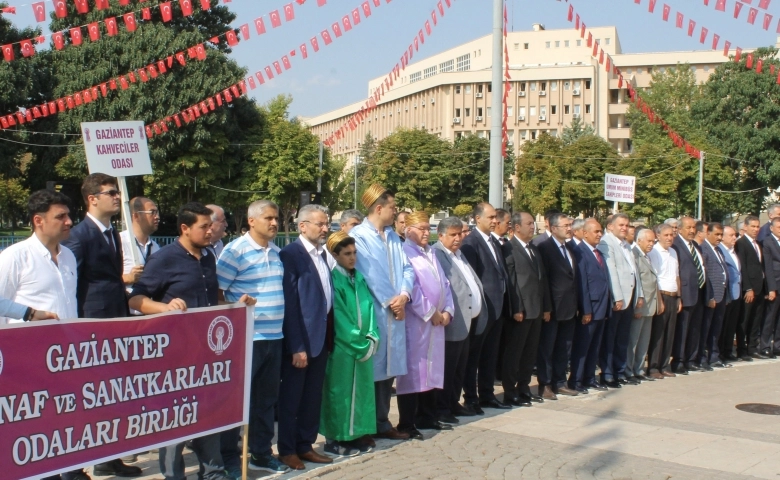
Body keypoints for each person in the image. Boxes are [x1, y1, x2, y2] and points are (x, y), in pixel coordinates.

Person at [129, 202, 251, 480]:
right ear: (184, 228)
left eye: (211, 226)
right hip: (173, 356)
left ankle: (213, 472)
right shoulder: (164, 259)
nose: (211, 232)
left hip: (206, 354)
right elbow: (136, 299)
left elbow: (213, 301)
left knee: (208, 413)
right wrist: (165, 307)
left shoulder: (208, 257)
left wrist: (237, 306)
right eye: (204, 227)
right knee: (176, 419)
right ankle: (174, 475)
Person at [62, 173, 141, 479]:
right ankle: (75, 467)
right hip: (92, 325)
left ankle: (108, 456)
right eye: (111, 192)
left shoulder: (111, 233)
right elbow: (74, 283)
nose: (117, 197)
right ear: (92, 198)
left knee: (111, 396)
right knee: (90, 397)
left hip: (115, 321)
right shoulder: (80, 235)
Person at [216, 200, 289, 475]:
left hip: (274, 336)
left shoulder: (277, 252)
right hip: (247, 337)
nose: (274, 223)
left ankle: (261, 452)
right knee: (236, 401)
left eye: (276, 218)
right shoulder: (236, 252)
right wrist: (236, 308)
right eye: (268, 218)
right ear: (251, 221)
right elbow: (218, 293)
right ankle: (229, 459)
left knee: (266, 400)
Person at [350, 184, 414, 441]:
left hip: (395, 311)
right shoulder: (359, 236)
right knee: (370, 371)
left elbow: (407, 269)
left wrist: (405, 295)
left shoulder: (393, 237)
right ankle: (365, 424)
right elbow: (370, 274)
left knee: (388, 372)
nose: (395, 211)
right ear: (379, 208)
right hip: (374, 312)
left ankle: (382, 421)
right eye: (392, 207)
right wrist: (392, 301)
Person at [277, 204, 335, 469]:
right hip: (300, 343)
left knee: (312, 397)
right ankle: (288, 449)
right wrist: (296, 346)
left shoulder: (321, 254)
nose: (326, 228)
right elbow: (290, 305)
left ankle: (305, 444)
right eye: (320, 224)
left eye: (327, 223)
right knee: (292, 399)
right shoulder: (291, 255)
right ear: (302, 226)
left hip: (321, 339)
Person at [396, 211, 454, 439]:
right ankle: (407, 422)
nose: (425, 232)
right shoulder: (405, 253)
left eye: (427, 227)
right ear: (408, 230)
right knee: (414, 372)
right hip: (417, 323)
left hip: (436, 324)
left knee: (432, 369)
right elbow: (412, 288)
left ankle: (427, 416)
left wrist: (448, 310)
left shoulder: (431, 253)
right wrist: (431, 313)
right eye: (420, 228)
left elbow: (445, 284)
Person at [320, 231, 380, 455]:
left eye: (354, 253)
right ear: (335, 255)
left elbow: (370, 308)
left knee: (361, 392)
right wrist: (358, 341)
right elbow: (340, 318)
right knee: (339, 393)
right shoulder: (334, 280)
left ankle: (355, 434)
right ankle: (335, 438)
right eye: (347, 253)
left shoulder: (359, 278)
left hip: (364, 345)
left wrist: (372, 335)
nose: (352, 258)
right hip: (344, 348)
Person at [432, 217, 488, 421]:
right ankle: (442, 408)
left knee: (459, 368)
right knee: (448, 368)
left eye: (460, 234)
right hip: (452, 321)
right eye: (453, 235)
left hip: (468, 320)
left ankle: (453, 402)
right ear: (441, 235)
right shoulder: (437, 254)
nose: (458, 238)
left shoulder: (459, 254)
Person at [460, 203, 512, 412]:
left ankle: (487, 394)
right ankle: (471, 397)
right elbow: (471, 279)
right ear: (477, 218)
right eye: (490, 217)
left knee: (490, 355)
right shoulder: (470, 243)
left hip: (497, 308)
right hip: (482, 310)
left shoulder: (493, 241)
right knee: (475, 356)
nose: (494, 221)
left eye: (495, 218)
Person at [0, 189, 74, 324]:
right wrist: (28, 314)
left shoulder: (69, 256)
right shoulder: (14, 257)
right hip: (26, 342)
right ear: (38, 220)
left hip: (66, 343)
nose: (69, 221)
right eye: (60, 216)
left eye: (68, 215)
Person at [503, 212, 550, 405]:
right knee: (514, 353)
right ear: (515, 227)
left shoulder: (533, 249)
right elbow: (512, 282)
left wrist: (546, 307)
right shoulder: (509, 248)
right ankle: (510, 390)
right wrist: (517, 308)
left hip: (536, 310)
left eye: (533, 224)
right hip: (521, 312)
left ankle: (524, 388)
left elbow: (542, 280)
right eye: (529, 223)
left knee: (529, 353)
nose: (533, 227)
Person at [536, 213, 580, 399]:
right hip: (552, 308)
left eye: (570, 225)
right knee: (547, 348)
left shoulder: (569, 248)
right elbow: (543, 280)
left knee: (564, 347)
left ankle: (559, 381)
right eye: (565, 225)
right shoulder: (544, 248)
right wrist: (546, 307)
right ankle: (545, 384)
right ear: (553, 228)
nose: (569, 228)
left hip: (569, 307)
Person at [599, 213, 644, 387]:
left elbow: (634, 271)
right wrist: (617, 297)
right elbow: (611, 270)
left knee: (622, 338)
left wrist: (639, 294)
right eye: (621, 225)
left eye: (627, 225)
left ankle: (620, 371)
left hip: (630, 297)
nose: (625, 228)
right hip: (617, 300)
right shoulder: (607, 243)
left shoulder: (626, 245)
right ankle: (608, 373)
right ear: (610, 226)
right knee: (610, 339)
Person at [568, 218, 610, 393]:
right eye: (596, 231)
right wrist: (586, 309)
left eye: (601, 231)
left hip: (601, 307)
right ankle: (576, 380)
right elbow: (583, 284)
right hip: (590, 308)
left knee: (594, 346)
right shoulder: (580, 252)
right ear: (584, 233)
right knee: (582, 347)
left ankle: (589, 378)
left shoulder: (597, 252)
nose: (600, 235)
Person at [671, 216, 706, 374]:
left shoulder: (695, 246)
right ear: (679, 229)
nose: (692, 231)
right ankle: (678, 360)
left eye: (694, 228)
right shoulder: (676, 246)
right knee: (682, 330)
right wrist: (679, 296)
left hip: (698, 293)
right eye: (688, 227)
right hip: (685, 294)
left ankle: (690, 359)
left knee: (694, 329)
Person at [647, 224, 682, 379]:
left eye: (671, 235)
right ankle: (653, 367)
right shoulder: (654, 252)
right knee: (658, 333)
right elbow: (654, 278)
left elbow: (676, 276)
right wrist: (659, 301)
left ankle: (664, 364)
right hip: (661, 294)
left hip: (673, 295)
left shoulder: (673, 252)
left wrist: (679, 298)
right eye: (666, 235)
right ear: (658, 235)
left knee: (670, 332)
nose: (669, 238)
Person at [627, 227, 660, 382]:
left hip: (649, 306)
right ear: (639, 240)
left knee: (643, 341)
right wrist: (637, 305)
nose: (651, 244)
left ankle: (639, 369)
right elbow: (636, 282)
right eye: (649, 241)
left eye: (653, 241)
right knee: (633, 341)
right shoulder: (634, 255)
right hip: (640, 305)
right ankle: (629, 371)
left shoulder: (647, 256)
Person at [121, 196, 161, 316]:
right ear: (136, 216)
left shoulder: (155, 247)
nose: (157, 217)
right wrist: (127, 278)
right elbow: (103, 280)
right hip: (125, 314)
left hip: (149, 314)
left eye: (157, 212)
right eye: (152, 212)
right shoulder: (119, 242)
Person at [698, 222, 729, 370]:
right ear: (707, 233)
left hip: (721, 295)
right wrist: (710, 297)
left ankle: (714, 356)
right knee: (706, 329)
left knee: (716, 329)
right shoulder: (704, 249)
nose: (719, 237)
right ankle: (702, 357)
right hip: (711, 297)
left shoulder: (719, 250)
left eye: (721, 235)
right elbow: (706, 275)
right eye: (716, 234)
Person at [735, 215, 765, 361]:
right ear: (745, 227)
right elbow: (743, 268)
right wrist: (748, 288)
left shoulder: (758, 244)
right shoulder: (741, 243)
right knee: (744, 320)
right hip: (749, 289)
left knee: (755, 320)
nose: (756, 229)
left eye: (757, 226)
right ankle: (741, 350)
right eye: (752, 226)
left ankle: (752, 348)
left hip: (760, 288)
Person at [717, 226, 742, 364]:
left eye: (735, 235)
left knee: (731, 325)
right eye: (731, 235)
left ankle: (728, 350)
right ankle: (720, 352)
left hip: (736, 292)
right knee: (723, 325)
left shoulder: (734, 251)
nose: (734, 238)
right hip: (726, 294)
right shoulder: (720, 251)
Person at [760, 217, 780, 358]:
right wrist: (771, 289)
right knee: (770, 318)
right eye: (778, 227)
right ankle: (765, 346)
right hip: (775, 285)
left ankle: (778, 346)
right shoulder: (767, 242)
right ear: (772, 228)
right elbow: (768, 267)